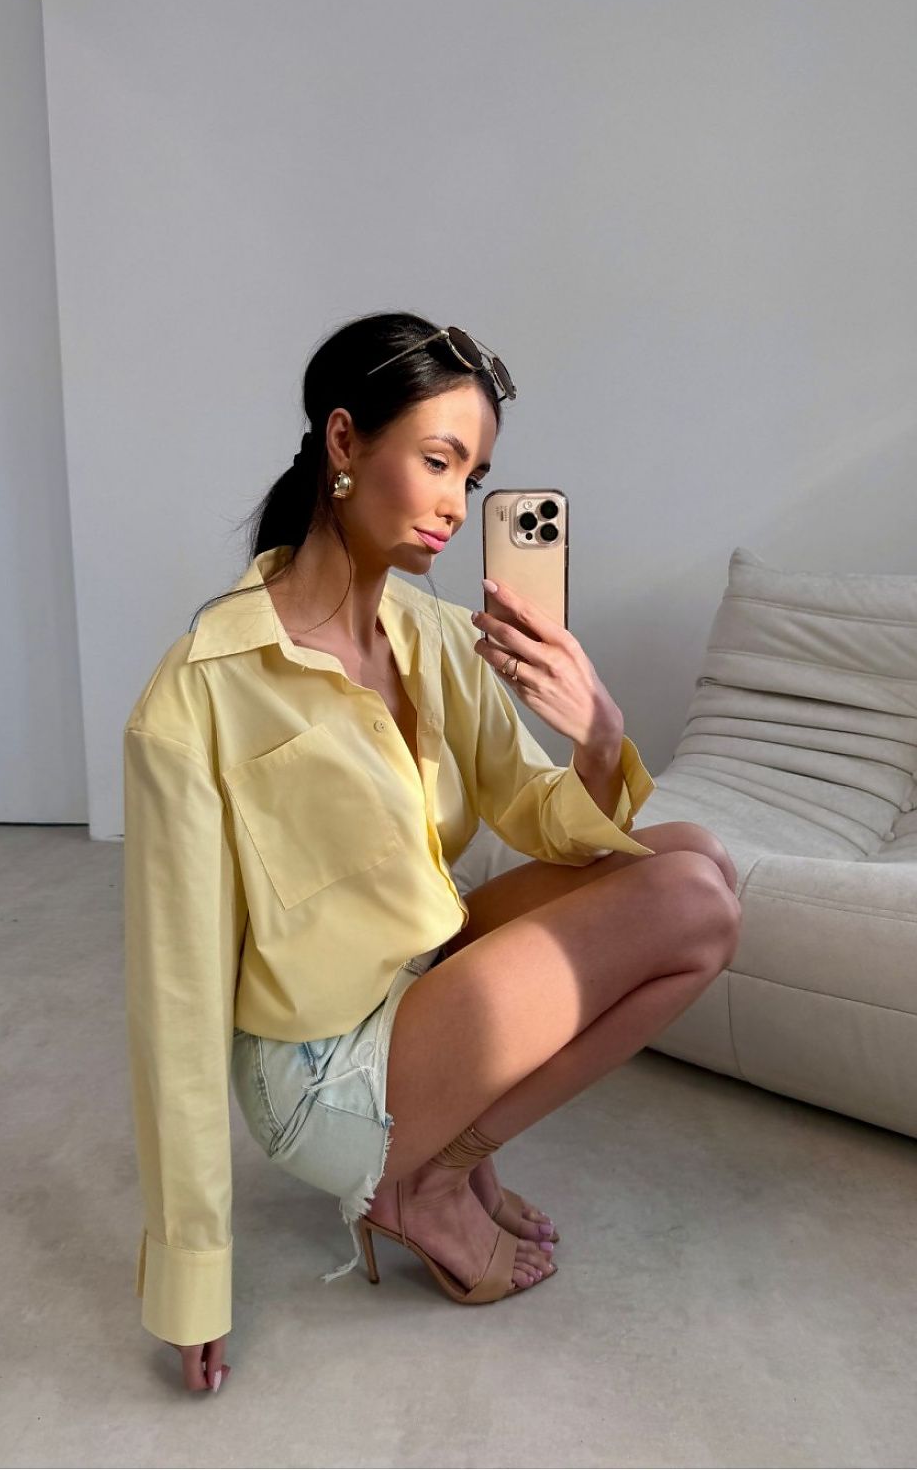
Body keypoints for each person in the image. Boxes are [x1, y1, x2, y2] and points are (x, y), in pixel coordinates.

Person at [122, 310, 742, 1394]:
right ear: (344, 442)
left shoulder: (436, 634)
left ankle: (442, 1161)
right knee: (688, 902)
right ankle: (420, 1183)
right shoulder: (202, 692)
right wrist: (192, 1272)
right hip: (321, 1068)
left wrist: (598, 734)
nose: (459, 504)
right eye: (439, 460)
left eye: (477, 475)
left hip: (426, 979)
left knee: (695, 859)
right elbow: (175, 999)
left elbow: (542, 816)